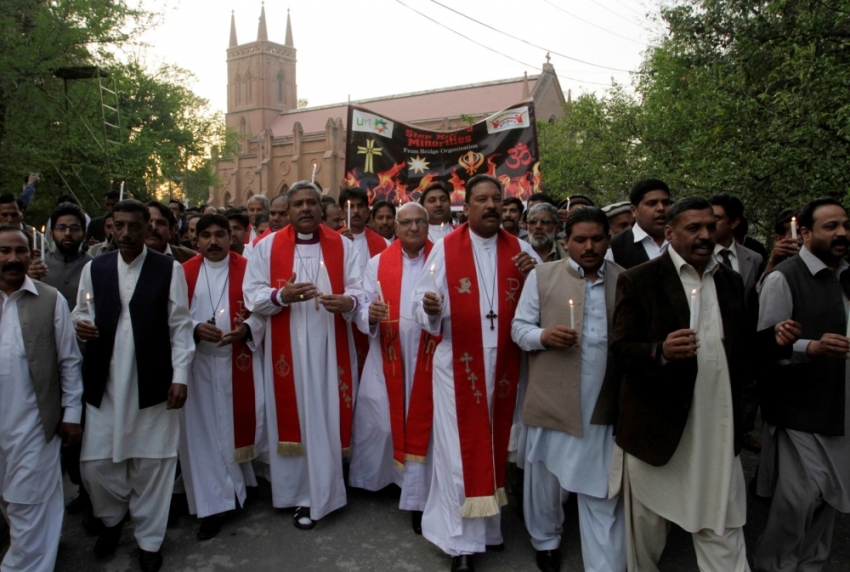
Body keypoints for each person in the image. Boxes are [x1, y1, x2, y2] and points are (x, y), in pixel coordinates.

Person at [611, 197, 798, 572]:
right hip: (659, 428)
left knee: (722, 520)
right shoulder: (640, 279)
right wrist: (661, 350)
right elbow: (621, 350)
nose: (705, 235)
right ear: (670, 233)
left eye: (710, 227)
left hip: (716, 426)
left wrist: (773, 338)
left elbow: (742, 344)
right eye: (693, 228)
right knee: (647, 529)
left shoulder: (729, 280)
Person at [412, 174, 540, 572]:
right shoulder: (446, 249)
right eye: (480, 200)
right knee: (457, 456)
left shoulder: (520, 249)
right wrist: (429, 308)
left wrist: (535, 269)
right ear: (464, 208)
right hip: (458, 366)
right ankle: (460, 544)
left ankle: (488, 531)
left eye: (496, 200)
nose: (490, 206)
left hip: (504, 365)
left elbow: (542, 299)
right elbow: (421, 299)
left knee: (494, 445)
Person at [71, 199, 194, 572]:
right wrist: (81, 322)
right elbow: (80, 309)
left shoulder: (168, 269)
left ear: (148, 229)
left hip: (153, 383)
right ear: (110, 227)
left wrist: (180, 377)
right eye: (118, 226)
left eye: (134, 227)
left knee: (153, 465)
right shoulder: (95, 267)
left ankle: (149, 540)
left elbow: (180, 326)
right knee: (96, 467)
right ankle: (112, 520)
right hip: (104, 383)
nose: (125, 234)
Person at [243, 181, 366, 530]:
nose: (306, 209)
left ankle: (326, 492)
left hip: (331, 347)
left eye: (312, 202)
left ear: (322, 208)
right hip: (288, 352)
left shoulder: (343, 246)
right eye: (298, 204)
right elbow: (252, 295)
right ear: (287, 209)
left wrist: (349, 302)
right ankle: (296, 494)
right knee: (293, 415)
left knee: (325, 416)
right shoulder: (266, 248)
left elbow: (361, 290)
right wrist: (281, 296)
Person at [513, 207, 626, 572]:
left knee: (601, 484)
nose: (589, 246)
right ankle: (546, 539)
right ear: (567, 241)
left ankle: (604, 564)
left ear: (608, 241)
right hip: (554, 398)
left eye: (597, 239)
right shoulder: (543, 276)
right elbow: (519, 329)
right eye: (580, 239)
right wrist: (543, 336)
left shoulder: (625, 280)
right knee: (545, 476)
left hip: (603, 404)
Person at [754, 197, 850, 572]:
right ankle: (773, 564)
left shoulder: (847, 274)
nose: (841, 232)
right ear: (805, 233)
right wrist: (810, 346)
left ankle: (812, 563)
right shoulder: (784, 277)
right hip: (800, 407)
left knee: (833, 494)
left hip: (841, 403)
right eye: (831, 226)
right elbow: (766, 344)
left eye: (845, 224)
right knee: (799, 497)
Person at [349, 202, 438, 535]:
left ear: (428, 226)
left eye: (420, 222)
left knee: (424, 426)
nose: (413, 228)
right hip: (386, 352)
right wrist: (367, 316)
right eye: (406, 223)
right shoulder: (376, 263)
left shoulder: (440, 258)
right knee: (381, 421)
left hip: (429, 354)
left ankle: (417, 495)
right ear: (396, 228)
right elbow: (362, 301)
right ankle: (384, 478)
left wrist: (433, 311)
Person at [0, 225, 83, 572]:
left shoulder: (50, 300)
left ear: (33, 255)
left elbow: (69, 361)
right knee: (11, 501)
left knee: (27, 500)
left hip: (34, 422)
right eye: (4, 251)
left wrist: (71, 414)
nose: (12, 259)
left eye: (21, 251)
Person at [178, 214, 265, 541]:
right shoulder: (183, 272)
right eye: (206, 236)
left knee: (232, 429)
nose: (213, 242)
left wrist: (246, 329)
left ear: (232, 238)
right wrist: (195, 328)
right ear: (195, 240)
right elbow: (173, 317)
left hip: (237, 359)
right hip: (199, 363)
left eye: (220, 235)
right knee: (203, 436)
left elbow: (262, 312)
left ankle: (239, 486)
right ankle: (214, 506)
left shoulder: (247, 268)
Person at [709, 193, 765, 453]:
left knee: (745, 388)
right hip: (712, 337)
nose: (710, 224)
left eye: (717, 219)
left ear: (733, 223)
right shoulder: (701, 256)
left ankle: (741, 433)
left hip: (743, 339)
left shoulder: (752, 258)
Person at [339, 187, 390, 373]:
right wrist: (338, 243)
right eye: (349, 207)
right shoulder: (332, 241)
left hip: (371, 314)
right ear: (341, 212)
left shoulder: (383, 243)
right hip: (342, 317)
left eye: (360, 206)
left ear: (367, 211)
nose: (355, 211)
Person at [608, 180, 671, 270]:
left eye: (665, 203)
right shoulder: (615, 248)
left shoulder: (682, 240)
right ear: (634, 210)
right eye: (652, 203)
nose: (661, 208)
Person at [42, 203, 93, 309]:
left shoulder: (94, 266)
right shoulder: (39, 266)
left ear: (84, 236)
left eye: (74, 228)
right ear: (51, 235)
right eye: (61, 228)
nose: (67, 233)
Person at [762, 208, 801, 275]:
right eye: (797, 232)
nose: (803, 236)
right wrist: (772, 262)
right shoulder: (770, 264)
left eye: (805, 231)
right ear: (779, 238)